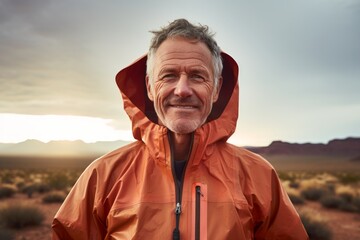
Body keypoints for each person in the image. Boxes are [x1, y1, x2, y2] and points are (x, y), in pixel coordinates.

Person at [52, 19, 308, 239]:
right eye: (169, 75)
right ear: (150, 87)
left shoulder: (258, 176)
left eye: (197, 76)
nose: (183, 90)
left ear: (216, 89)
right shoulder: (103, 177)